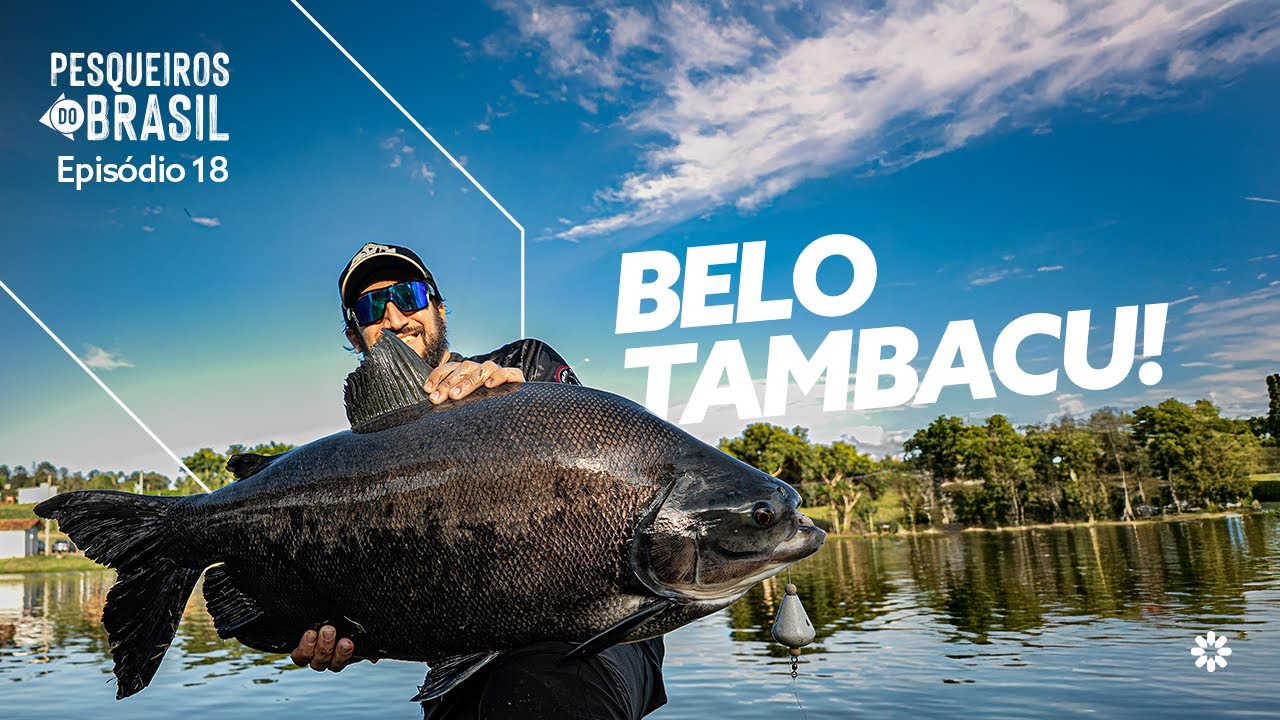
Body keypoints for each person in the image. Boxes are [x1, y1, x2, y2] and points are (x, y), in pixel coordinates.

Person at [290, 242, 667, 719]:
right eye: (369, 306)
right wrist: (356, 628)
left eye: (408, 295)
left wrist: (516, 396)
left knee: (544, 689)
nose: (393, 316)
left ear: (438, 306)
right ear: (354, 333)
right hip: (460, 663)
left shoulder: (523, 365)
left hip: (597, 629)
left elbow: (592, 446)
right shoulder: (374, 451)